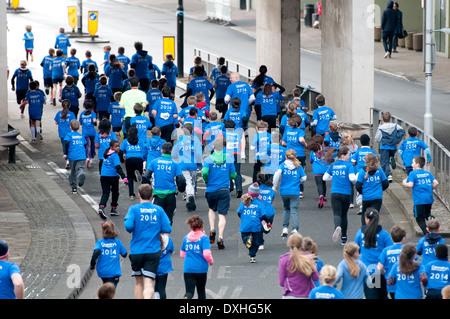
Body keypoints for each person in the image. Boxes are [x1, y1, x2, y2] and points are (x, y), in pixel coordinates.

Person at [124, 184, 172, 299]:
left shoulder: (134, 209)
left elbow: (128, 227)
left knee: (139, 283)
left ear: (139, 195)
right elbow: (167, 228)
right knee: (149, 283)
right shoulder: (158, 210)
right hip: (153, 251)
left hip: (137, 251)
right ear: (152, 196)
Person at [202, 137, 237, 249]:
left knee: (212, 209)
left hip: (211, 189)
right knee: (222, 214)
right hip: (224, 190)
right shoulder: (229, 159)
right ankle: (220, 237)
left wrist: (207, 180)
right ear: (224, 147)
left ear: (213, 147)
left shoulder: (208, 160)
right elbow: (233, 175)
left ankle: (212, 229)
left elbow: (205, 173)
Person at [355, 208, 394, 299]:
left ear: (367, 219)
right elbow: (390, 251)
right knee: (382, 296)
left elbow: (356, 251)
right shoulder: (384, 235)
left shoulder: (360, 233)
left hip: (367, 271)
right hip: (381, 271)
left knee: (372, 296)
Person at [145, 142, 186, 225]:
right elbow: (181, 180)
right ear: (171, 152)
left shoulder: (154, 162)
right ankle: (166, 237)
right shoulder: (175, 164)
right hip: (171, 196)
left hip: (157, 196)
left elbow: (146, 176)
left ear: (161, 151)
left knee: (155, 221)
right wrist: (181, 189)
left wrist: (148, 187)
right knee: (168, 222)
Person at [323, 146, 356, 244]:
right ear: (343, 155)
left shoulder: (333, 165)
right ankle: (344, 238)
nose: (349, 157)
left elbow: (325, 178)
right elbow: (352, 178)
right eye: (348, 155)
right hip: (346, 193)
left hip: (335, 192)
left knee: (337, 213)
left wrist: (334, 178)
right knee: (344, 215)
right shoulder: (349, 165)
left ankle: (337, 226)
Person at [272, 149, 307, 237]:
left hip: (284, 191)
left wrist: (274, 186)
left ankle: (285, 228)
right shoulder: (299, 166)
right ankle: (295, 229)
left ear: (286, 157)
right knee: (294, 210)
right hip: (294, 191)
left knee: (286, 209)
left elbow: (277, 174)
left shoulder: (283, 165)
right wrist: (299, 181)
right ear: (295, 156)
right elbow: (304, 178)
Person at [402, 156, 439, 235]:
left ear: (417, 164)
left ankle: (427, 233)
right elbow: (436, 183)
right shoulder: (427, 173)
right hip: (429, 199)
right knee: (426, 214)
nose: (412, 165)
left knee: (419, 219)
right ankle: (430, 218)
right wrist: (430, 188)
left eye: (413, 163)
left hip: (419, 200)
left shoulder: (412, 173)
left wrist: (404, 182)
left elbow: (410, 185)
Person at [180, 215, 213, 299]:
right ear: (202, 226)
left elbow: (182, 254)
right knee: (201, 291)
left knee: (189, 292)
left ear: (190, 227)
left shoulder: (186, 238)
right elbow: (206, 253)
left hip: (188, 269)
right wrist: (210, 261)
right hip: (201, 269)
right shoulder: (204, 239)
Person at [172, 123, 202, 212]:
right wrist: (200, 164)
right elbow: (199, 154)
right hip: (193, 165)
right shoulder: (195, 140)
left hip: (183, 164)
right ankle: (190, 199)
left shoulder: (180, 140)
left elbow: (173, 153)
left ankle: (190, 196)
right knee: (192, 182)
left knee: (188, 182)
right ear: (192, 131)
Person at [278, 233, 319, 299]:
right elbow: (316, 277)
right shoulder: (308, 258)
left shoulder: (283, 259)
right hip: (306, 294)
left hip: (289, 294)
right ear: (301, 245)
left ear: (289, 244)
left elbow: (281, 282)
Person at [237, 183, 271, 263]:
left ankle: (247, 240)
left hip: (245, 225)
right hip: (256, 225)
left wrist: (244, 218)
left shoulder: (244, 202)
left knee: (245, 237)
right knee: (256, 242)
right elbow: (263, 215)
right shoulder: (259, 202)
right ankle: (252, 256)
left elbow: (239, 213)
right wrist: (267, 223)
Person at [90, 221, 127, 287]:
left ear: (103, 231)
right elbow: (125, 254)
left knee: (106, 288)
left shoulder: (100, 243)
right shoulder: (117, 242)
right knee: (110, 292)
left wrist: (92, 265)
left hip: (103, 272)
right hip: (113, 272)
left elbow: (96, 252)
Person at [355, 153, 389, 225]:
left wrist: (363, 192)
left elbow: (358, 186)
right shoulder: (379, 171)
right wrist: (379, 190)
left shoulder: (362, 172)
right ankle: (373, 230)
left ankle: (364, 230)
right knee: (374, 215)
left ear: (365, 161)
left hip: (366, 198)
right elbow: (386, 183)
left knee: (365, 215)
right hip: (377, 197)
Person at [98, 140, 128, 219]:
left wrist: (100, 173)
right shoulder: (115, 156)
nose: (118, 148)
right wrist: (124, 177)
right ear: (111, 147)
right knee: (115, 192)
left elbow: (100, 163)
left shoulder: (106, 153)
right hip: (113, 177)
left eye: (118, 146)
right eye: (116, 146)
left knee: (105, 193)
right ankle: (113, 209)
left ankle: (101, 207)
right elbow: (118, 167)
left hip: (104, 176)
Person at [377, 225, 407, 299]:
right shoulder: (407, 249)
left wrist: (385, 273)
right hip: (405, 282)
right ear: (403, 238)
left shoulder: (386, 250)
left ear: (391, 238)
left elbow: (379, 267)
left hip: (391, 282)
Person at [281, 114, 308, 198]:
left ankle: (289, 187)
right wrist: (305, 144)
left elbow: (283, 143)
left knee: (288, 170)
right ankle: (300, 191)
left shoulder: (287, 130)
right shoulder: (300, 131)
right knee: (299, 172)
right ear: (300, 124)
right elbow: (301, 139)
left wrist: (290, 143)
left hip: (289, 153)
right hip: (299, 154)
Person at [375, 111, 405, 182]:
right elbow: (402, 131)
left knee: (384, 162)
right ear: (390, 119)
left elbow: (377, 138)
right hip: (393, 146)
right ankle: (391, 157)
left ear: (382, 119)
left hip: (384, 147)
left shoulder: (381, 128)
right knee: (389, 157)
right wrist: (397, 139)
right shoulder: (395, 126)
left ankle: (389, 175)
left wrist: (380, 139)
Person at [119, 125, 147, 201]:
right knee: (140, 176)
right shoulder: (140, 141)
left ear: (128, 133)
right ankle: (144, 194)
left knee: (130, 177)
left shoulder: (125, 141)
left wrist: (122, 160)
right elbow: (144, 150)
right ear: (137, 134)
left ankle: (131, 194)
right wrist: (144, 159)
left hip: (129, 159)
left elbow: (120, 152)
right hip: (139, 159)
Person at [308, 134, 333, 208]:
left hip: (317, 171)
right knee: (323, 183)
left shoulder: (313, 151)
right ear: (322, 142)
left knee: (319, 184)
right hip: (325, 170)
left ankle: (321, 196)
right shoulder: (325, 150)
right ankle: (324, 197)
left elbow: (310, 160)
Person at [63, 120, 87, 194]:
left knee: (72, 171)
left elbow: (66, 143)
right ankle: (81, 174)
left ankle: (74, 188)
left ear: (70, 127)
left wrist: (65, 153)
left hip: (72, 156)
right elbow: (85, 144)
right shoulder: (81, 136)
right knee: (80, 168)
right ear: (79, 127)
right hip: (82, 155)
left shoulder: (69, 135)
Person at [224, 120, 245, 198]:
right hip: (237, 154)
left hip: (227, 155)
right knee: (237, 172)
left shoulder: (223, 134)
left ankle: (230, 186)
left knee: (227, 171)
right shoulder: (237, 134)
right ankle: (239, 189)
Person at [55, 100, 77, 169]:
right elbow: (74, 123)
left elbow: (56, 122)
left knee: (65, 147)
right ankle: (70, 160)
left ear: (62, 106)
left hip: (62, 134)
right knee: (71, 146)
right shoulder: (72, 114)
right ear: (69, 106)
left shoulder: (59, 113)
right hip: (70, 133)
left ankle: (67, 160)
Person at [257, 173, 276, 250]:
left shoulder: (257, 189)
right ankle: (264, 228)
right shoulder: (271, 190)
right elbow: (272, 199)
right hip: (270, 212)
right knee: (267, 230)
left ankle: (260, 243)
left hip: (260, 212)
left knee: (258, 228)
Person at [154, 234, 174, 299]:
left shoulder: (152, 239)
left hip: (153, 266)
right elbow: (172, 251)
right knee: (162, 288)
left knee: (156, 284)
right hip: (164, 267)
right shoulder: (168, 239)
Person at [79, 99, 97, 168]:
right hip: (92, 132)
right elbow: (94, 121)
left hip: (85, 133)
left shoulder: (82, 114)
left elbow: (80, 122)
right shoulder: (93, 114)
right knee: (92, 144)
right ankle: (92, 157)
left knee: (87, 145)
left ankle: (87, 157)